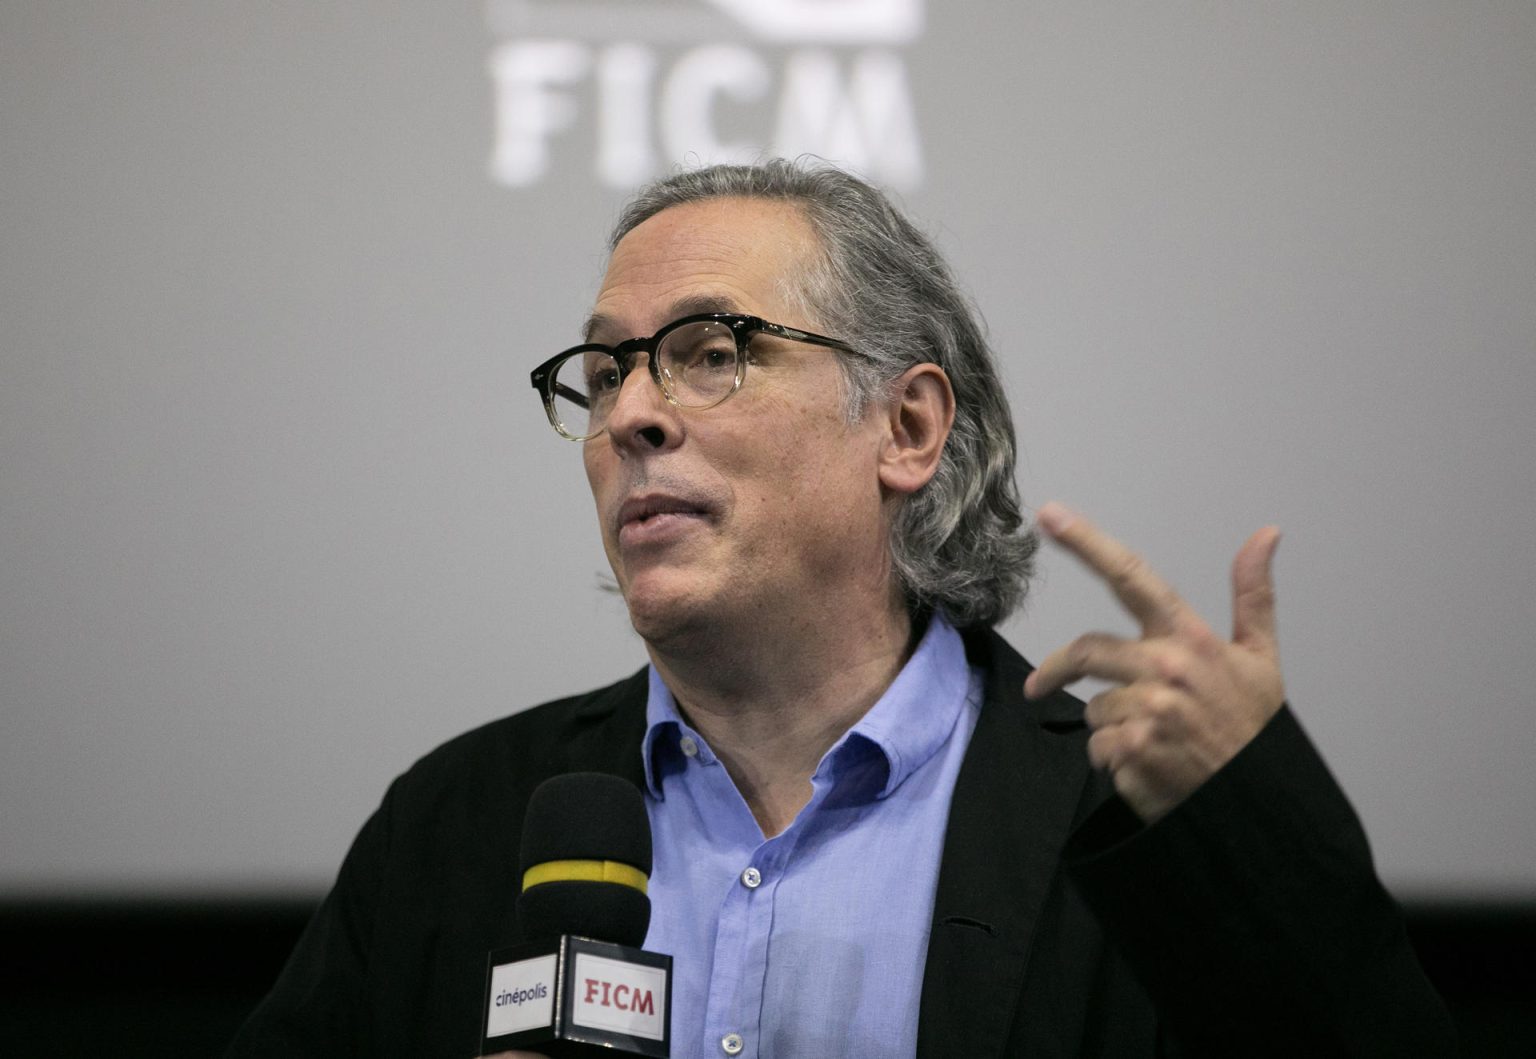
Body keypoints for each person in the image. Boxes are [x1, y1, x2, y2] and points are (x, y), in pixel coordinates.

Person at [228, 160, 1455, 1057]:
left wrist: (1256, 832)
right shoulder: (458, 819)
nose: (631, 417)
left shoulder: (1127, 834)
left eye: (712, 352)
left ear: (909, 428)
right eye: (606, 371)